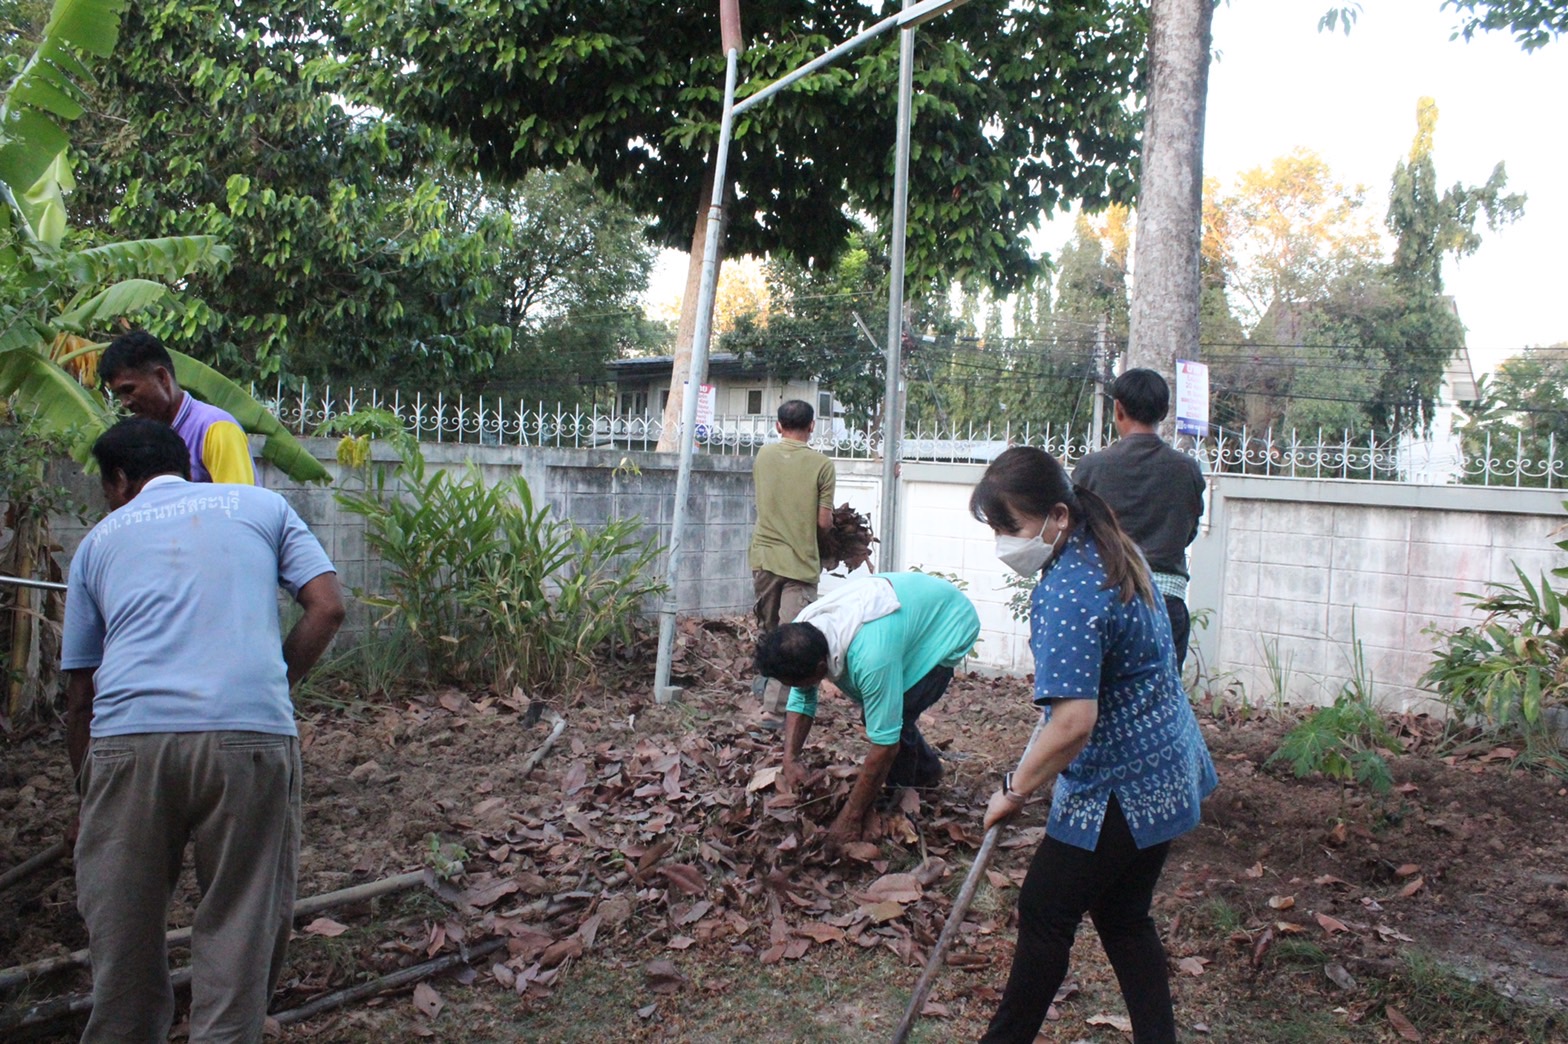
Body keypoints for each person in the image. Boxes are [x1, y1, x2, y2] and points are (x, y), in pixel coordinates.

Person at [61, 418, 344, 1041]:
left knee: (124, 929)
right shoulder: (263, 505)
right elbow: (327, 605)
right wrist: (272, 683)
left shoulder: (97, 541)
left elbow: (80, 693)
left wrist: (86, 793)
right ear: (184, 462)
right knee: (242, 918)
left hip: (129, 742)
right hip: (249, 736)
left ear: (117, 479)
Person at [969, 446, 1217, 1044]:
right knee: (1124, 916)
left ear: (1057, 514)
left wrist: (1014, 790)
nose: (1004, 542)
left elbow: (1074, 722)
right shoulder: (1108, 548)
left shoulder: (1070, 590)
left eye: (1010, 527)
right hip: (1167, 764)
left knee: (1046, 912)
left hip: (1121, 785)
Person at [753, 572, 979, 846]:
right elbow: (802, 697)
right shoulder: (803, 630)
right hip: (905, 611)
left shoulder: (872, 658)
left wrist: (851, 816)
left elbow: (885, 744)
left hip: (950, 622)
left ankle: (904, 795)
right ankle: (926, 770)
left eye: (796, 682)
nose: (795, 688)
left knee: (896, 714)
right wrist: (790, 759)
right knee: (881, 712)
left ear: (820, 669)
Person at [1073, 368, 1205, 669]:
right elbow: (1189, 531)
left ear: (1118, 408)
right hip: (1166, 605)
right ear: (1163, 412)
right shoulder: (1187, 470)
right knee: (1160, 704)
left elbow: (1076, 534)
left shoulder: (1092, 468)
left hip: (1105, 601)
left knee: (1099, 703)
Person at [749, 398, 836, 728]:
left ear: (778, 426)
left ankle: (767, 688)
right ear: (812, 426)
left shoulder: (764, 455)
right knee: (791, 638)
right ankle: (774, 711)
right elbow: (825, 522)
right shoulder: (822, 465)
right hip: (800, 562)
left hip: (764, 557)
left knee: (770, 629)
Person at [99, 329, 257, 484]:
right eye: (119, 394)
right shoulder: (144, 439)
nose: (125, 402)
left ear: (162, 378)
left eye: (129, 390)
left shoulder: (216, 428)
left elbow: (239, 503)